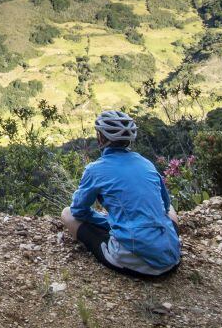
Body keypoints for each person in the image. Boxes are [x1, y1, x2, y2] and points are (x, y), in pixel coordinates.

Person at [60, 110, 181, 278]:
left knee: (67, 214)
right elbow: (166, 206)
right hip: (172, 258)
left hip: (137, 262)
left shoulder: (95, 170)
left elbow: (78, 211)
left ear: (101, 138)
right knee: (170, 211)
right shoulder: (147, 164)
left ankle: (121, 248)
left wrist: (106, 221)